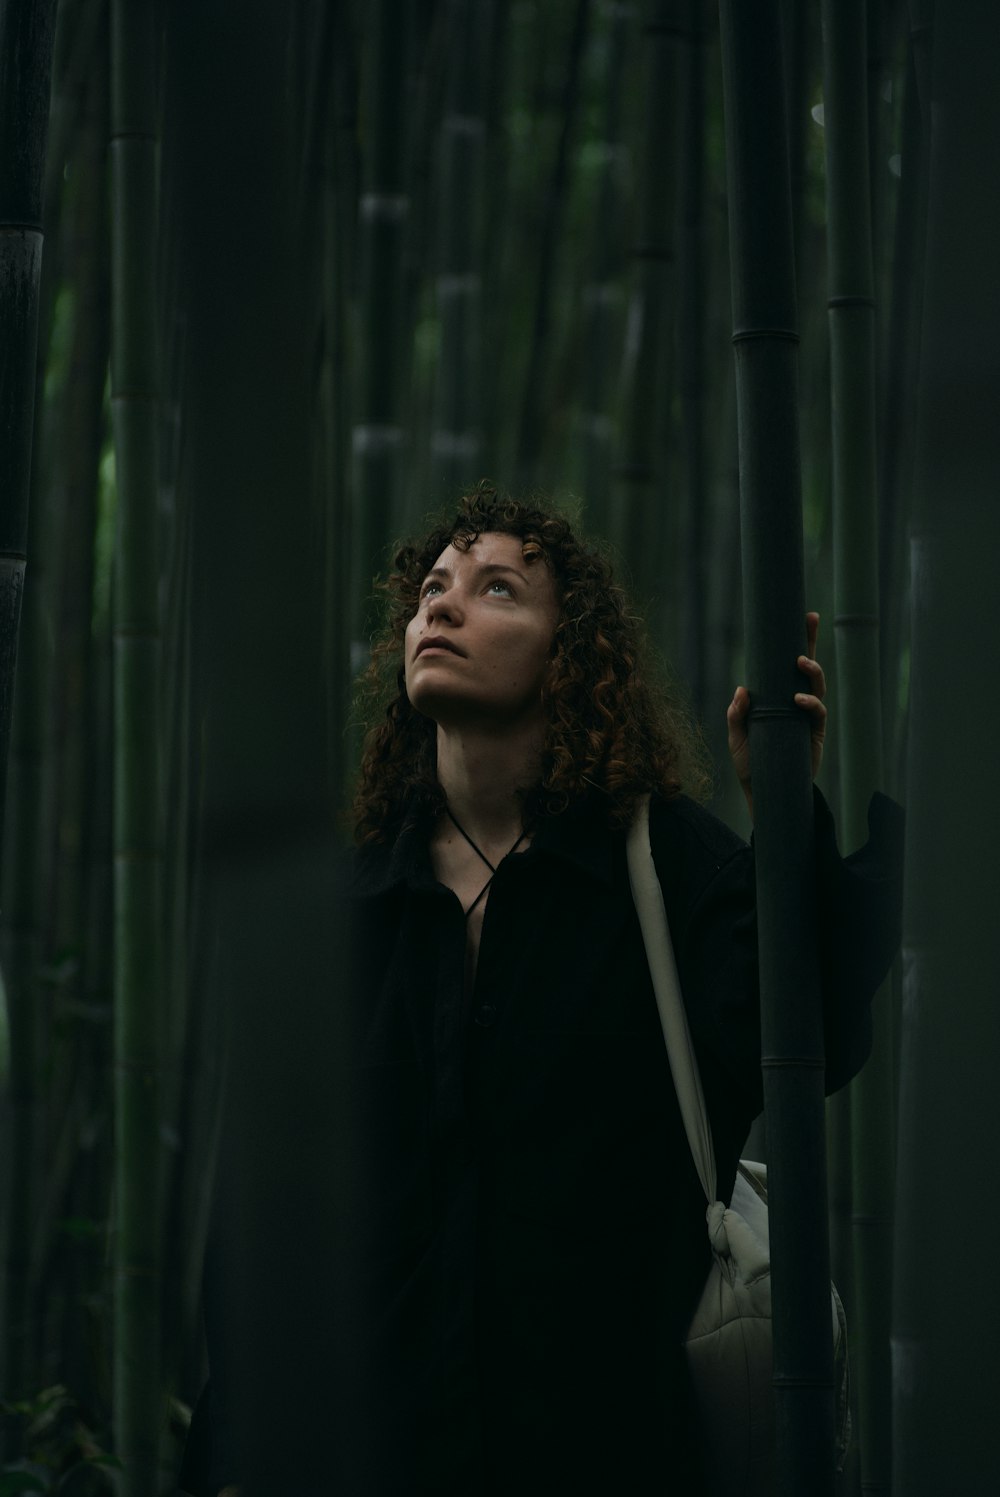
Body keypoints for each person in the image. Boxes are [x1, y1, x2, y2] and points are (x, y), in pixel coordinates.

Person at [180, 482, 902, 1497]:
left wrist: (779, 807)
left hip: (605, 1449)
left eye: (496, 589)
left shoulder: (658, 866)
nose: (441, 606)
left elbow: (808, 1038)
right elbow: (260, 1224)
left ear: (570, 654)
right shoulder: (346, 908)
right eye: (432, 588)